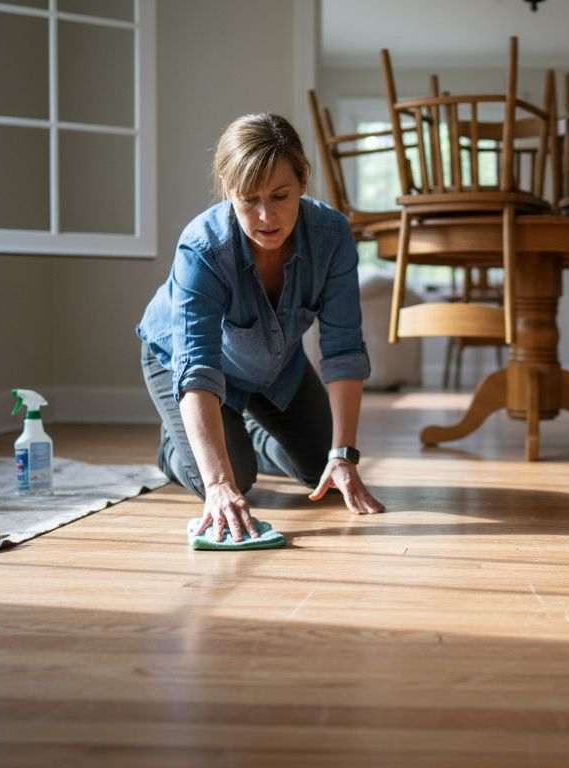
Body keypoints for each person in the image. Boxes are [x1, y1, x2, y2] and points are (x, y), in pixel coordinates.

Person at [137, 112, 385, 544]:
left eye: (281, 195)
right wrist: (218, 484)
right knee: (237, 480)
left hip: (275, 363)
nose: (266, 216)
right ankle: (177, 446)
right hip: (183, 361)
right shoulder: (202, 247)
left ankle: (244, 431)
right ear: (228, 192)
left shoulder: (332, 237)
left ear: (303, 181)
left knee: (320, 471)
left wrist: (344, 455)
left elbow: (343, 349)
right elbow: (196, 367)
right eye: (248, 199)